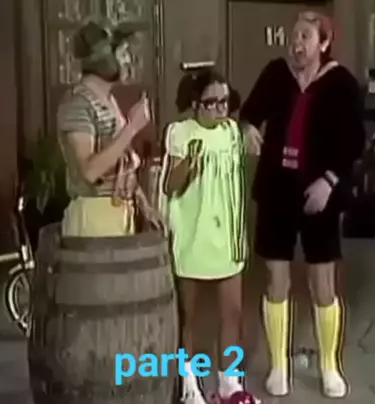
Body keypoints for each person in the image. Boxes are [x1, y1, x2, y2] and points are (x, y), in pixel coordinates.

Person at [238, 11, 366, 398]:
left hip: (319, 191)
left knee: (322, 282)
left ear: (324, 43)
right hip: (276, 189)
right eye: (293, 36)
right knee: (275, 278)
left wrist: (329, 182)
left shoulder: (341, 83)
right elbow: (249, 113)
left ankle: (329, 366)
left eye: (305, 37)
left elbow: (353, 142)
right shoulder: (276, 74)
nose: (296, 44)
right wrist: (247, 128)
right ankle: (278, 366)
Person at [159, 68, 257, 404]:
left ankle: (229, 381)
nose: (219, 109)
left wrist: (248, 131)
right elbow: (170, 186)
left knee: (233, 312)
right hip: (192, 236)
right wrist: (190, 163)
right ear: (195, 103)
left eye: (224, 102)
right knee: (189, 317)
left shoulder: (231, 132)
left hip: (227, 237)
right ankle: (189, 384)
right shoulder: (180, 133)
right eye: (211, 102)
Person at [56, 18, 162, 238]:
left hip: (119, 212)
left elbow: (122, 158)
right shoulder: (78, 103)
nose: (128, 60)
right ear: (104, 58)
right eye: (122, 54)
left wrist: (145, 206)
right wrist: (132, 127)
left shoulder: (109, 100)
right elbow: (90, 171)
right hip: (94, 214)